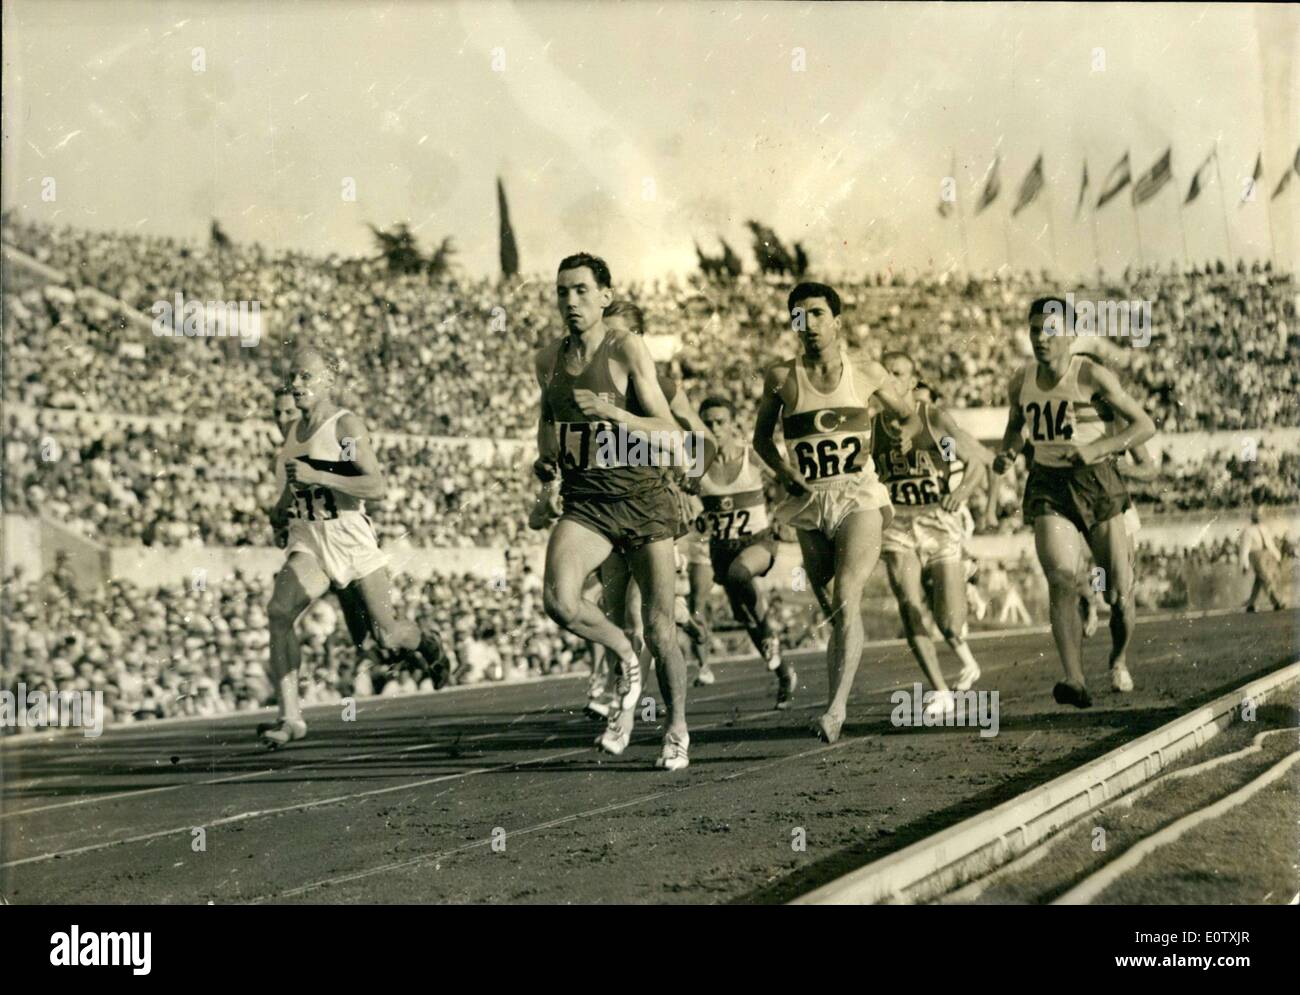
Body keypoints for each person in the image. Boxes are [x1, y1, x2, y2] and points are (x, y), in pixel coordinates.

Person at [534, 255, 698, 770]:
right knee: (560, 601)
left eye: (582, 290)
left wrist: (613, 413)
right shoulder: (547, 360)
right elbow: (548, 421)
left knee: (659, 627)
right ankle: (625, 662)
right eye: (563, 292)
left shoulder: (625, 349)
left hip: (643, 503)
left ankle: (676, 728)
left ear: (605, 296)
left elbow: (671, 433)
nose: (571, 301)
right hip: (588, 506)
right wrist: (546, 470)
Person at [753, 281, 915, 743]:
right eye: (799, 316)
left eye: (818, 314)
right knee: (832, 606)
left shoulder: (864, 371)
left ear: (837, 322)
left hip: (858, 495)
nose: (809, 324)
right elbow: (761, 441)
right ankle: (835, 697)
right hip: (808, 501)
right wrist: (785, 473)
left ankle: (836, 709)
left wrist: (901, 434)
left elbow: (907, 414)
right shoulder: (781, 377)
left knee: (846, 593)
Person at [261, 346, 444, 746]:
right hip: (310, 542)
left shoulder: (344, 426)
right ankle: (290, 718)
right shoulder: (291, 436)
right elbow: (295, 488)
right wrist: (279, 512)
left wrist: (320, 477)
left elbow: (375, 485)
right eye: (293, 376)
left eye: (306, 377)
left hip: (351, 539)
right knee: (278, 612)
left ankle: (427, 642)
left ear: (329, 381)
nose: (296, 385)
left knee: (385, 638)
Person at [991, 298, 1155, 708]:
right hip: (1049, 484)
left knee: (1119, 594)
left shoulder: (1091, 375)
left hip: (1098, 483)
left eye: (1049, 330)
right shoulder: (1020, 380)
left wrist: (1099, 447)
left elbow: (1144, 424)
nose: (1040, 339)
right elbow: (1014, 427)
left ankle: (1117, 658)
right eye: (1033, 331)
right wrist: (1009, 453)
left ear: (1069, 334)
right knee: (1061, 579)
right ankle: (1074, 678)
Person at [873, 352, 991, 716]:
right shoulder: (872, 427)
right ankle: (940, 690)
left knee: (949, 622)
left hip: (939, 523)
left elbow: (977, 461)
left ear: (912, 382)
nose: (891, 379)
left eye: (899, 374)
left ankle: (964, 592)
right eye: (885, 374)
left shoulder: (934, 419)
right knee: (908, 604)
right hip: (898, 527)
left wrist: (963, 492)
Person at [693, 395, 798, 709]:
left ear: (733, 424)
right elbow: (684, 497)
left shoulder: (751, 457)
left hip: (757, 542)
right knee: (743, 615)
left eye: (720, 422)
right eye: (707, 423)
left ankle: (770, 634)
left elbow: (785, 480)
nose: (714, 428)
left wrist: (780, 515)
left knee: (742, 575)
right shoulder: (697, 463)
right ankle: (783, 674)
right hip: (720, 548)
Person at [1240, 508, 1287, 612]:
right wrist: (1245, 564)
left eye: (1259, 516)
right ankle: (1276, 602)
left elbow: (1270, 544)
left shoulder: (1264, 528)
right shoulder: (1248, 531)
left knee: (1260, 579)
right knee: (1266, 578)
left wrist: (1277, 556)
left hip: (1266, 554)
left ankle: (1251, 604)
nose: (1258, 518)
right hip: (1255, 555)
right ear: (1252, 518)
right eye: (1256, 516)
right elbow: (1245, 549)